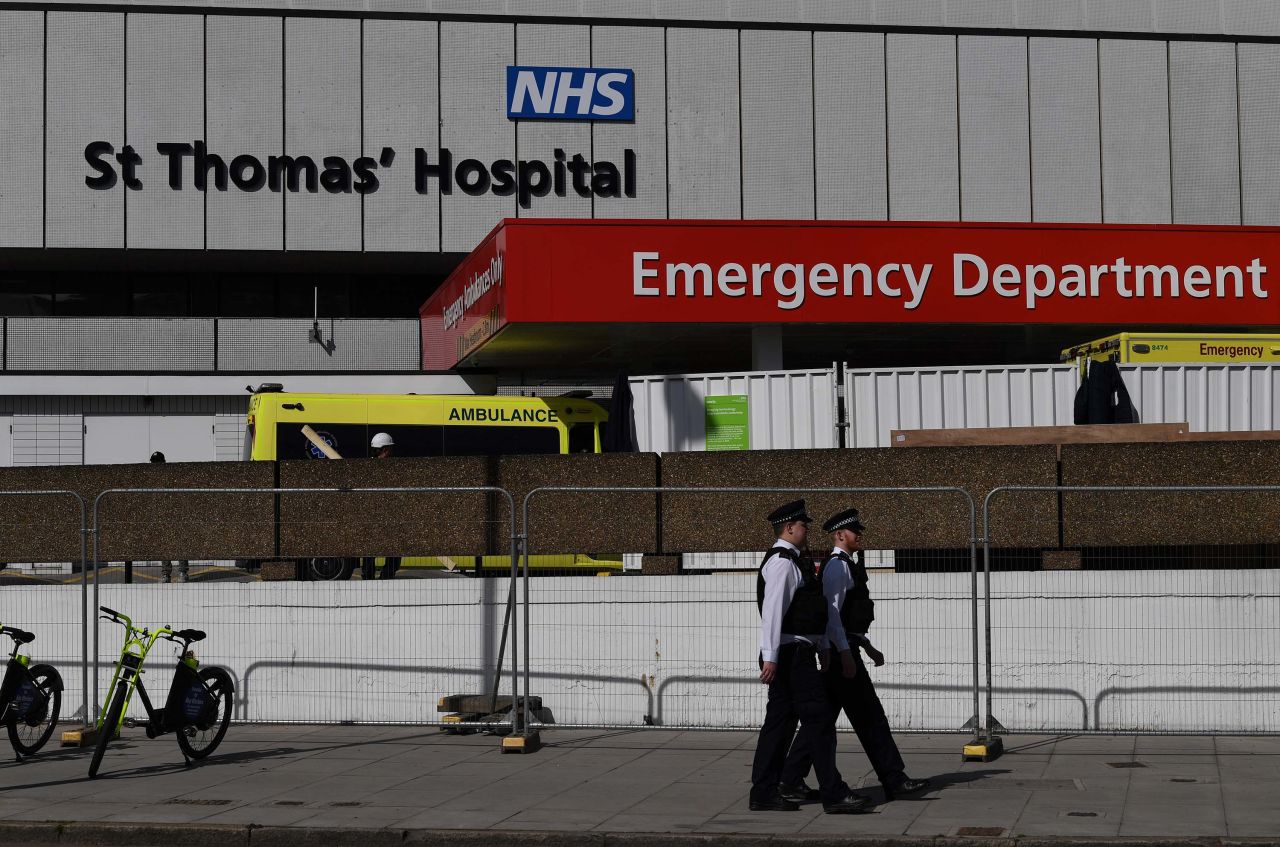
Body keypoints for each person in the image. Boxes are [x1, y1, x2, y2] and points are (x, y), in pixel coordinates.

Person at [778, 507, 931, 804]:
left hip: (842, 650)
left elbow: (849, 617)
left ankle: (790, 779)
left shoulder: (847, 564)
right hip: (840, 654)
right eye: (854, 531)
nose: (859, 535)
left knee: (820, 721)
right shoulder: (837, 567)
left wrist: (867, 646)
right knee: (869, 716)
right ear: (839, 534)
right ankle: (894, 779)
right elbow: (833, 616)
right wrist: (846, 654)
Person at [749, 499, 871, 814]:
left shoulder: (793, 560)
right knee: (818, 722)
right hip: (790, 655)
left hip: (795, 652)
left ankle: (765, 791)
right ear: (789, 528)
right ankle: (833, 794)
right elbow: (773, 612)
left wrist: (822, 646)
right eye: (804, 525)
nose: (807, 529)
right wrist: (771, 656)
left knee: (780, 725)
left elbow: (808, 612)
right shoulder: (783, 563)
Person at [360, 433, 401, 580]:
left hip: (383, 516)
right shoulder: (386, 469)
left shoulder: (366, 468)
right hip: (377, 517)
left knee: (388, 550)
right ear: (385, 450)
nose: (391, 452)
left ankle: (382, 575)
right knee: (375, 550)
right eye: (389, 449)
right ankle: (378, 576)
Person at [150, 451, 189, 584]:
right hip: (162, 515)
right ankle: (166, 574)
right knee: (165, 545)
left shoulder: (171, 475)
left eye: (157, 463)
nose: (155, 466)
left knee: (178, 544)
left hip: (175, 515)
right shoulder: (153, 478)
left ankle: (182, 572)